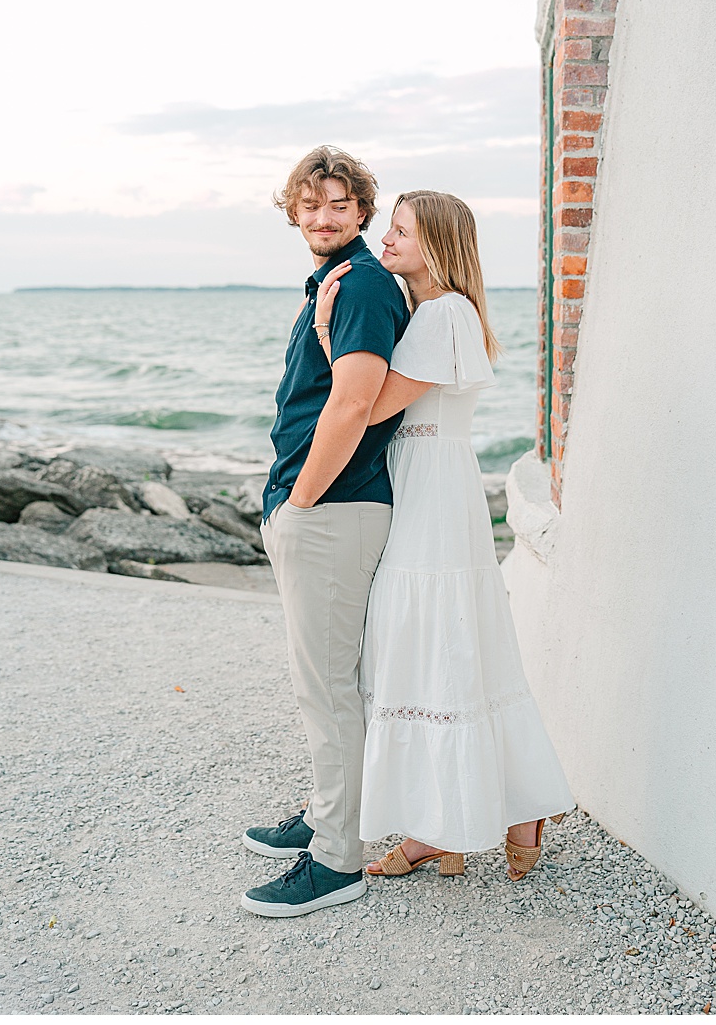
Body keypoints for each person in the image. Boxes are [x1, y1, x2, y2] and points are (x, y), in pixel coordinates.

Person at [311, 190, 575, 880]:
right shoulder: (436, 314)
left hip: (431, 492)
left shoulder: (444, 315)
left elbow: (367, 406)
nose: (386, 241)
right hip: (432, 482)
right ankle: (457, 821)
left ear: (437, 246)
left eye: (401, 231)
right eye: (390, 228)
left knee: (429, 640)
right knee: (445, 645)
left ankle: (470, 819)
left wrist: (324, 330)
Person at [239, 145, 409, 918]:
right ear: (295, 213)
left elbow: (354, 403)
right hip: (324, 505)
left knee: (328, 685)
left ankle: (337, 857)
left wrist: (300, 500)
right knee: (327, 678)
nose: (324, 216)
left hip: (333, 509)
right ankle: (325, 810)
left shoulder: (366, 285)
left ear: (362, 211)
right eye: (311, 206)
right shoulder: (337, 282)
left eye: (339, 205)